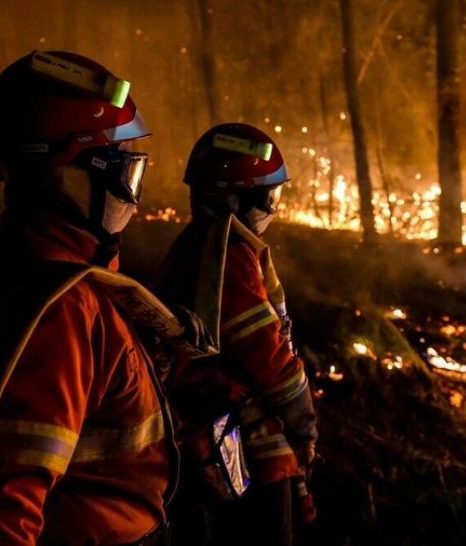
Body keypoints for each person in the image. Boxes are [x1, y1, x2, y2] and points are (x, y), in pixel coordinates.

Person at [0, 51, 193, 546]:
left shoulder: (48, 272)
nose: (132, 196)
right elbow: (0, 509)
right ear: (69, 174)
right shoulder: (59, 308)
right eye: (126, 173)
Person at [157, 123, 318, 546]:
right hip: (246, 452)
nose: (272, 208)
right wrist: (304, 421)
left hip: (202, 443)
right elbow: (266, 355)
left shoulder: (188, 246)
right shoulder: (229, 254)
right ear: (239, 196)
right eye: (269, 196)